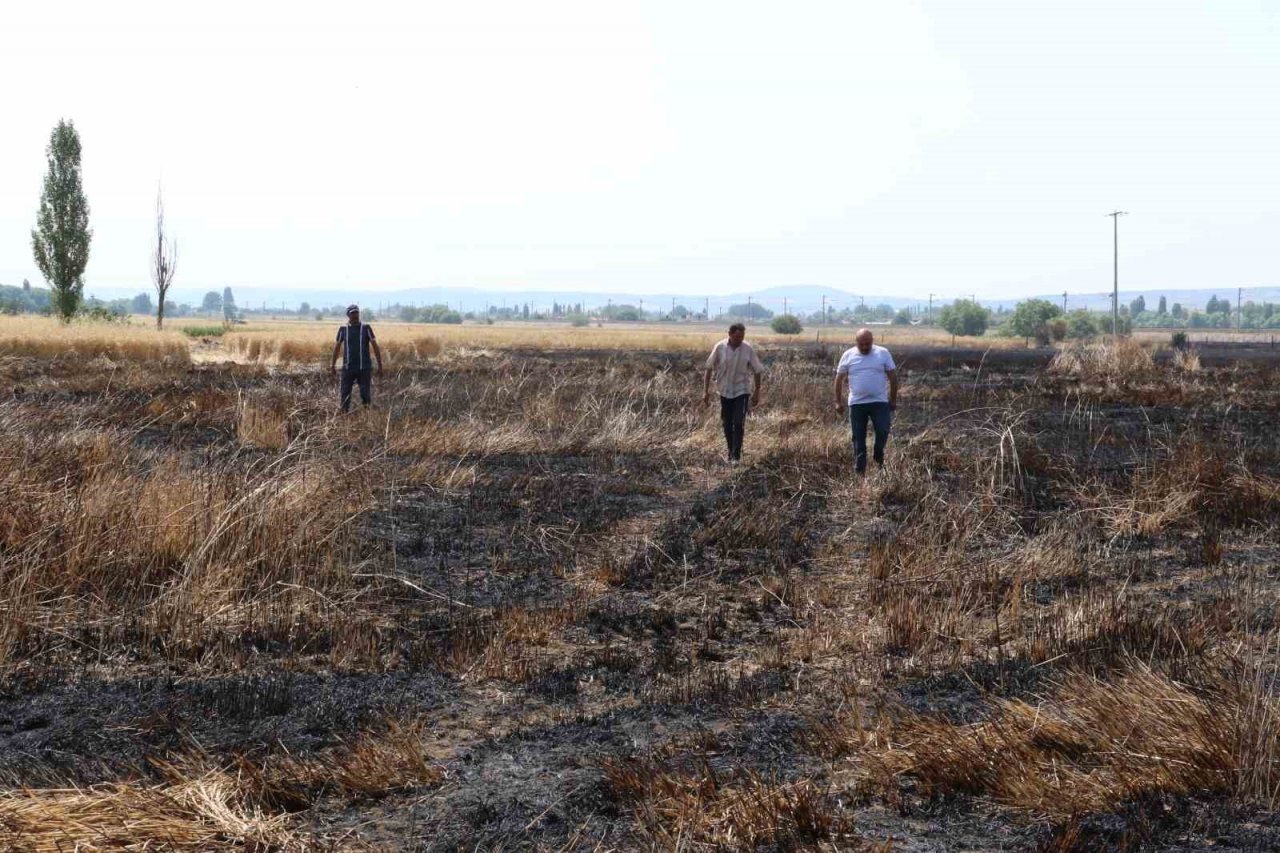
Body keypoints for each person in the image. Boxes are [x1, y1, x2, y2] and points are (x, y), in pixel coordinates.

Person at [834, 328, 898, 474]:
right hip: (857, 404)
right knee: (858, 438)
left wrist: (893, 399)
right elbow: (838, 379)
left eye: (867, 344)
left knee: (883, 430)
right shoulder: (848, 355)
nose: (864, 347)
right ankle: (860, 471)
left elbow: (893, 377)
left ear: (872, 341)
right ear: (856, 342)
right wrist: (838, 401)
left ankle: (878, 454)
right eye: (861, 344)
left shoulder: (883, 353)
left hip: (880, 402)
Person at [703, 323, 765, 462]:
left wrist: (757, 392)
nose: (740, 340)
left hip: (742, 390)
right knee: (727, 422)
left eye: (742, 337)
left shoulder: (747, 348)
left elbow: (757, 370)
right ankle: (730, 451)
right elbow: (708, 368)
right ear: (730, 334)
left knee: (738, 422)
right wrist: (705, 391)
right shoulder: (720, 347)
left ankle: (736, 456)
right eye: (737, 337)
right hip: (724, 390)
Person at [330, 304, 383, 411]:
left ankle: (367, 418)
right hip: (348, 368)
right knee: (345, 396)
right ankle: (344, 418)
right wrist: (332, 365)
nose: (355, 315)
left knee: (365, 395)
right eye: (352, 313)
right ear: (348, 315)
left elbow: (375, 346)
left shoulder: (366, 328)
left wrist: (380, 365)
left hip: (364, 368)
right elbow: (337, 347)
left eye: (356, 313)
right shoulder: (343, 329)